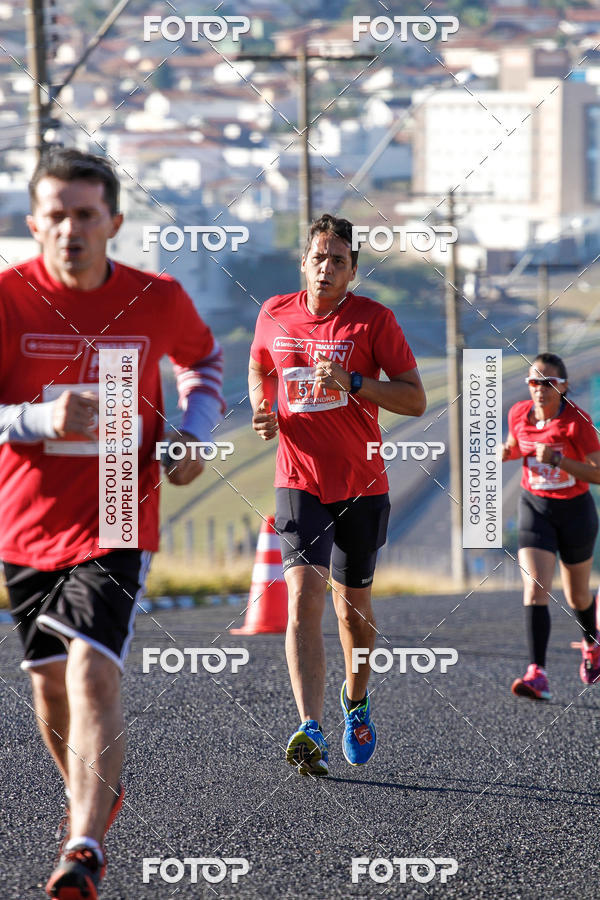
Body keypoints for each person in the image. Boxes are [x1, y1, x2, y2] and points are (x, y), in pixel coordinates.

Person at [0, 148, 224, 899]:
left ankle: (85, 844)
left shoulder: (156, 298)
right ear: (34, 223)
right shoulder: (7, 299)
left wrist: (193, 433)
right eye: (55, 216)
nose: (70, 230)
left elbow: (204, 364)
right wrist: (36, 417)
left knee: (93, 667)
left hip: (122, 503)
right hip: (27, 515)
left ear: (114, 224)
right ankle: (91, 797)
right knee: (49, 687)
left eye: (85, 215)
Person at [249, 213, 426, 775]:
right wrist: (261, 404)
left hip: (362, 484)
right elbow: (259, 365)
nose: (327, 268)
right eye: (319, 257)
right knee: (302, 599)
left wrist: (354, 383)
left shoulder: (374, 322)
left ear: (353, 271)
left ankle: (356, 701)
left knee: (352, 611)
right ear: (304, 261)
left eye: (339, 261)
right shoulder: (273, 313)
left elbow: (415, 400)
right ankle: (310, 726)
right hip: (298, 479)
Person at [501, 353, 600, 701]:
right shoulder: (518, 414)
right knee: (536, 587)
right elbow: (517, 446)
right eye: (534, 382)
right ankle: (537, 673)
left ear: (563, 387)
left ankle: (592, 643)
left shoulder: (577, 423)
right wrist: (504, 452)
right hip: (535, 508)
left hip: (575, 512)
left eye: (548, 383)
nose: (539, 389)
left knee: (577, 595)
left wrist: (560, 460)